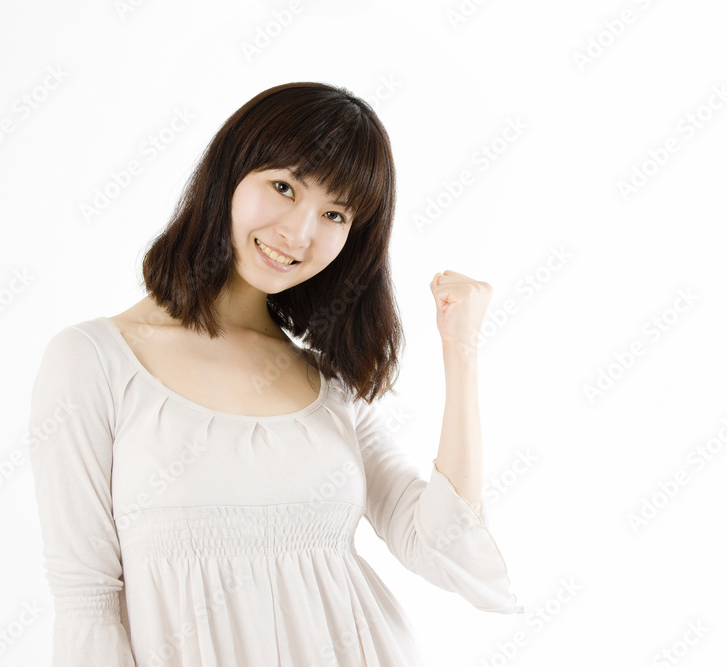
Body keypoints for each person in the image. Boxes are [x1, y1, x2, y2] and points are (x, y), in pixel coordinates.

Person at [27, 81, 523, 667]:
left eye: (334, 214)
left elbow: (443, 548)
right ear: (228, 175)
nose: (299, 234)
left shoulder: (331, 387)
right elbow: (86, 602)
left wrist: (460, 351)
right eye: (284, 187)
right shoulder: (94, 360)